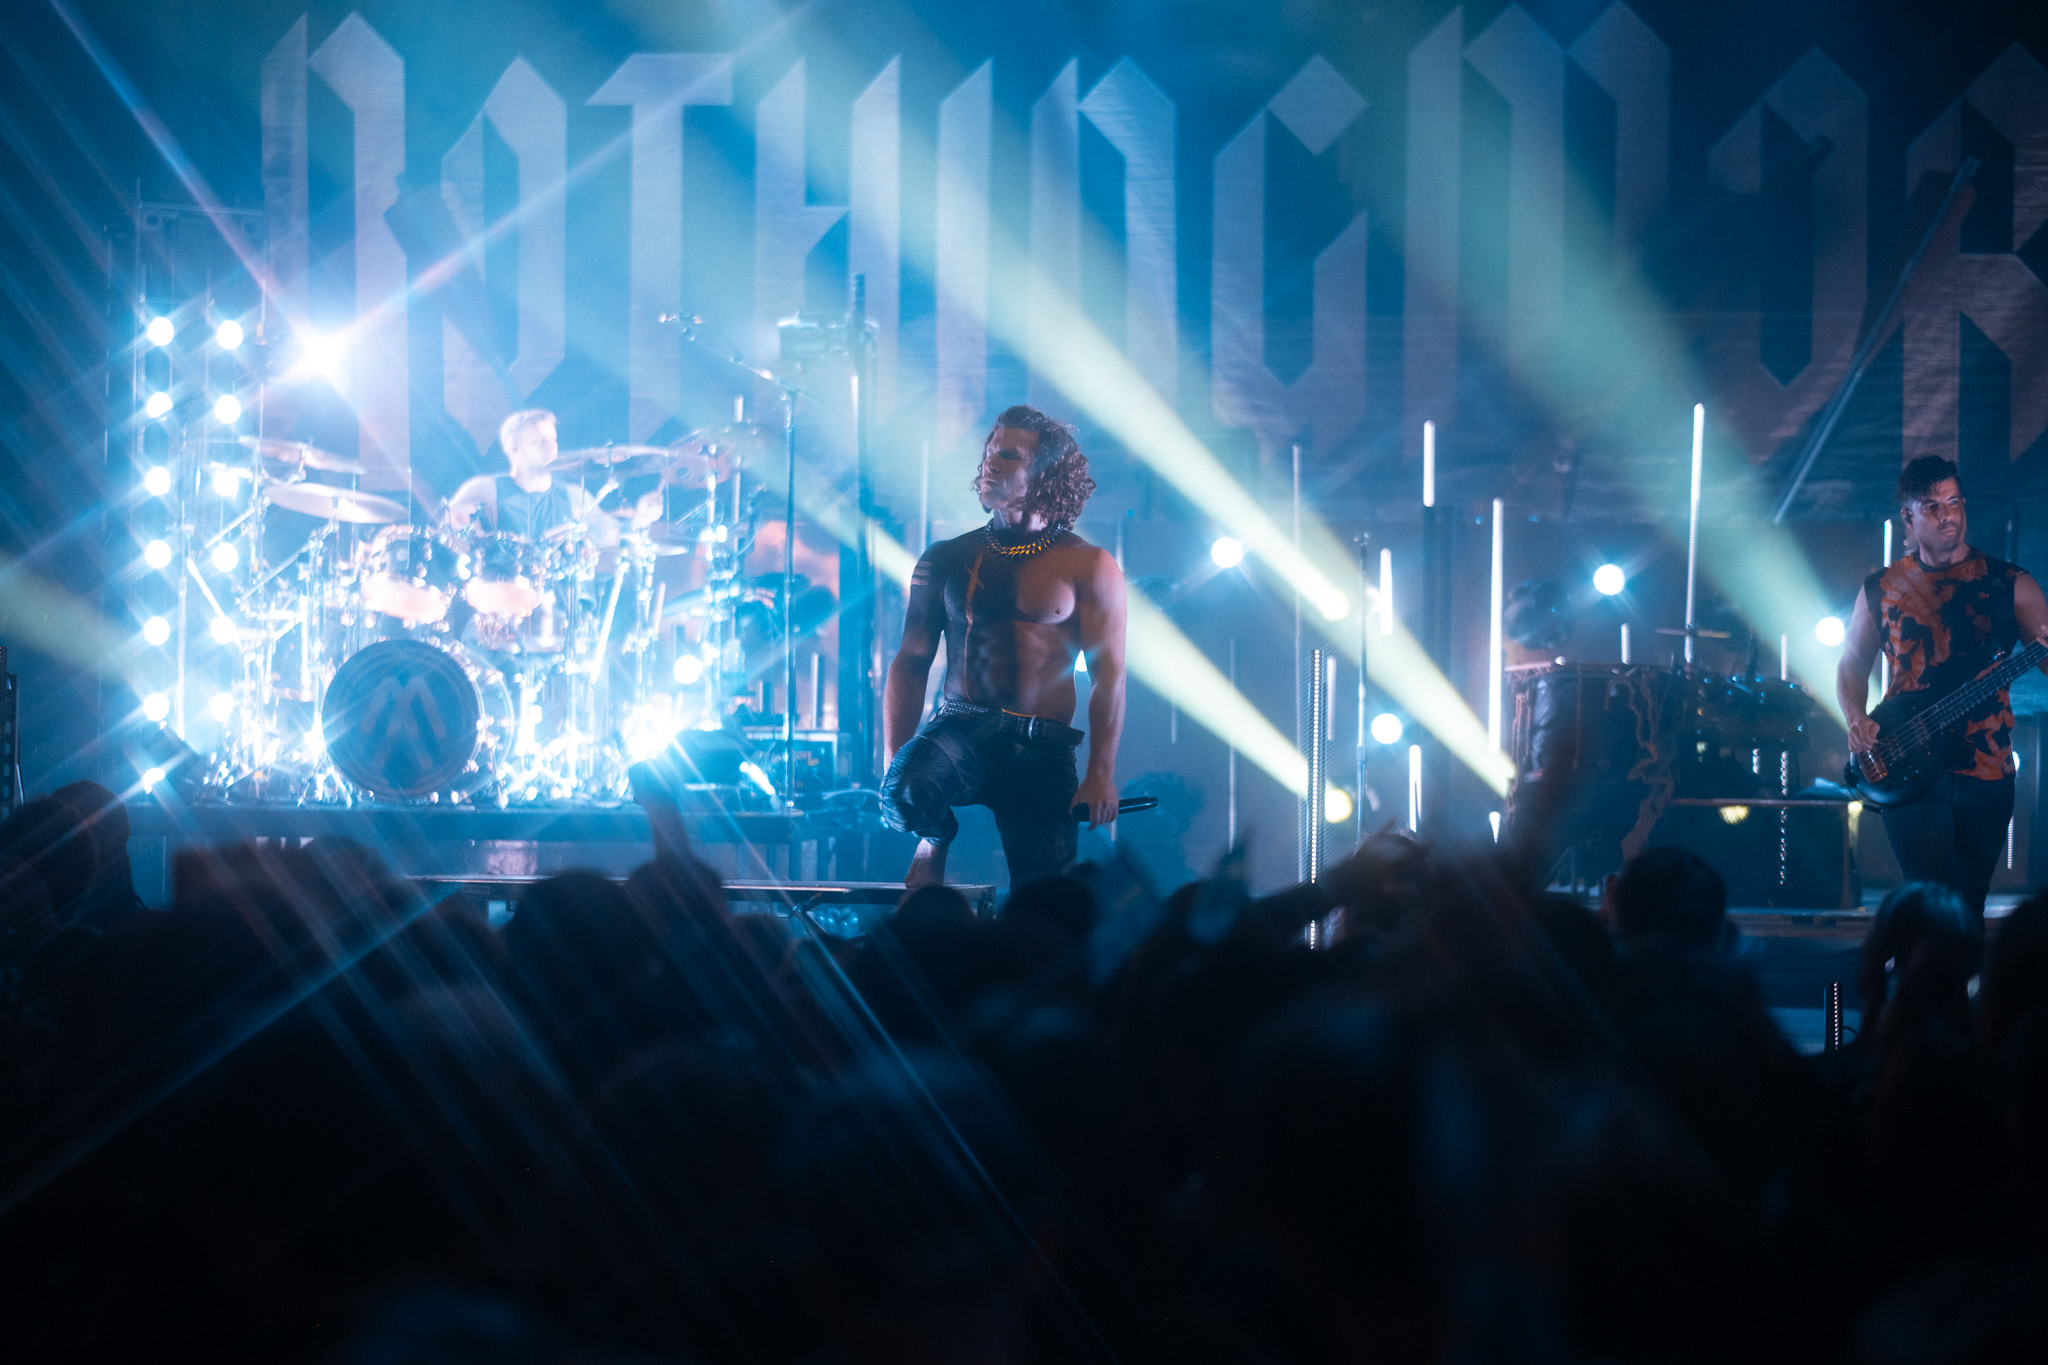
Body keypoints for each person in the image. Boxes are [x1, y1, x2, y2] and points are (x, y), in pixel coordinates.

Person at [880, 405, 1127, 889]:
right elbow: (910, 662)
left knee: (1046, 899)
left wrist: (1100, 773)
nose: (990, 463)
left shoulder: (1090, 565)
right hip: (962, 726)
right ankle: (936, 837)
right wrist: (896, 762)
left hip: (1043, 746)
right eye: (990, 452)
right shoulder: (946, 558)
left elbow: (1109, 677)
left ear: (1045, 473)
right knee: (903, 794)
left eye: (1008, 456)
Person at [1838, 456, 2048, 917]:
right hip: (1907, 756)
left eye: (1954, 502)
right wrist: (1856, 718)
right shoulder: (1881, 587)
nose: (1947, 515)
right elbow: (1852, 663)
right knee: (1929, 899)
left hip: (1986, 768)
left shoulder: (2010, 583)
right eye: (1932, 506)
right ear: (1908, 517)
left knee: (1968, 903)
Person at [445, 408, 621, 545]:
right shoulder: (485, 488)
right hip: (505, 580)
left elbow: (612, 536)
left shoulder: (574, 495)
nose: (550, 447)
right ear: (513, 448)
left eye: (553, 439)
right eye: (538, 441)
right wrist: (480, 540)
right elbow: (447, 524)